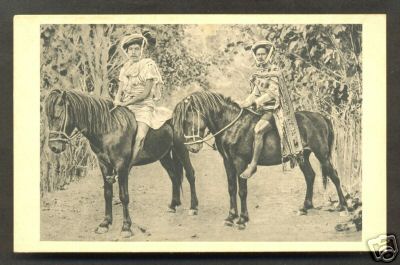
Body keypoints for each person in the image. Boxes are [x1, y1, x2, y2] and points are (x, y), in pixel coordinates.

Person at [114, 32, 164, 163]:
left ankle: (128, 166)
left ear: (141, 50)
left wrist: (126, 103)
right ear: (127, 51)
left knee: (140, 137)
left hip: (143, 107)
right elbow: (120, 89)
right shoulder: (125, 68)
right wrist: (117, 101)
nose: (133, 52)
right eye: (130, 49)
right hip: (125, 105)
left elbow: (145, 93)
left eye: (137, 49)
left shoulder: (148, 65)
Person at [238, 40, 281, 179]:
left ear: (268, 54)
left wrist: (257, 102)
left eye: (263, 54)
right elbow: (255, 93)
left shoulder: (274, 71)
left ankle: (253, 165)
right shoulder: (259, 73)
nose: (260, 56)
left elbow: (272, 93)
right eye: (258, 54)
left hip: (273, 111)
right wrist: (244, 103)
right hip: (260, 110)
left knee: (258, 130)